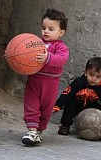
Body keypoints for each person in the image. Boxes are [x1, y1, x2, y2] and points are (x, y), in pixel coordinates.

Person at [21, 9, 69, 145]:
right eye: (43, 28)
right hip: (34, 81)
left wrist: (47, 57)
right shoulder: (35, 44)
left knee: (46, 110)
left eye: (50, 29)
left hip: (50, 84)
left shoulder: (61, 47)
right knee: (31, 106)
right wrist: (12, 56)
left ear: (61, 32)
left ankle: (39, 131)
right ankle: (31, 130)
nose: (46, 31)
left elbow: (61, 59)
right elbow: (21, 54)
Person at [54, 57, 101, 135]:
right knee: (69, 106)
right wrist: (58, 105)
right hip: (77, 104)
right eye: (91, 75)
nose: (93, 79)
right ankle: (65, 126)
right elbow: (67, 94)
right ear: (85, 72)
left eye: (98, 77)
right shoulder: (78, 82)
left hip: (92, 106)